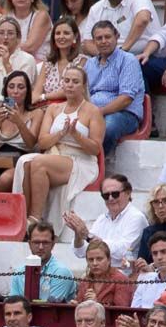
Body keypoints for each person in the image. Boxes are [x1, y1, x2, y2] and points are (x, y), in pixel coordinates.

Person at [13, 66, 102, 230]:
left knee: (39, 163)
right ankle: (21, 216)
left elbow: (95, 149)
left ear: (83, 86)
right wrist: (61, 133)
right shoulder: (54, 108)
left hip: (80, 159)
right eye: (66, 81)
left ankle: (35, 219)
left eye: (75, 82)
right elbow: (43, 141)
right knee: (24, 161)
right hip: (54, 152)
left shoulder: (93, 111)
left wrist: (76, 135)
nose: (70, 85)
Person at [82, 21, 144, 155]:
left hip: (124, 114)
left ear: (117, 36)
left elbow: (126, 99)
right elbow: (84, 93)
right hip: (94, 112)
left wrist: (99, 112)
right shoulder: (90, 64)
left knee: (108, 126)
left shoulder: (128, 60)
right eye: (99, 38)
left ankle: (98, 164)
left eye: (107, 37)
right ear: (93, 41)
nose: (104, 41)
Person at [64, 174, 147, 267]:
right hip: (100, 273)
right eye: (106, 195)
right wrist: (78, 234)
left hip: (125, 276)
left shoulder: (136, 217)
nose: (110, 198)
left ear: (128, 193)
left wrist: (88, 236)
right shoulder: (102, 219)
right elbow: (81, 252)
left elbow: (123, 250)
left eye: (115, 194)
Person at [9, 221, 77, 302]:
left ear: (53, 244)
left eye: (45, 243)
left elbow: (49, 308)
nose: (41, 247)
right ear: (29, 244)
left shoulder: (62, 272)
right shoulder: (19, 272)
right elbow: (12, 305)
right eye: (36, 242)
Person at [81, 0, 160, 57]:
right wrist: (105, 57)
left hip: (147, 57)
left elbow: (143, 19)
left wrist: (123, 51)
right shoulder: (95, 9)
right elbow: (88, 43)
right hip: (108, 60)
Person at [33, 17, 85, 104]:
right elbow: (37, 91)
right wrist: (34, 99)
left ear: (75, 36)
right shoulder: (48, 62)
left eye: (66, 33)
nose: (61, 37)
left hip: (68, 105)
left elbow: (69, 90)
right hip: (44, 105)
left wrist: (43, 97)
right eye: (57, 33)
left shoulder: (81, 60)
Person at [131, 230, 166, 308]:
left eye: (164, 252)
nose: (159, 257)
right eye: (155, 253)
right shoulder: (146, 279)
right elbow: (135, 310)